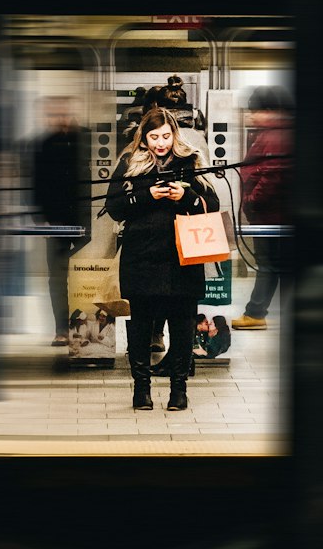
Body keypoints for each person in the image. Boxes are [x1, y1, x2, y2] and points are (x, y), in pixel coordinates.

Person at [105, 106, 219, 411]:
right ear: (143, 138)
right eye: (154, 137)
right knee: (141, 325)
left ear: (174, 134)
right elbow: (113, 207)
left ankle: (178, 390)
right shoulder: (129, 163)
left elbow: (211, 204)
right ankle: (141, 390)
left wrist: (186, 197)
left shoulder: (191, 160)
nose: (160, 143)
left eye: (166, 136)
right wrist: (146, 196)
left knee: (182, 326)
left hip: (183, 257)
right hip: (141, 256)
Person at [232, 85, 293, 330]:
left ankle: (256, 314)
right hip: (272, 214)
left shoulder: (276, 136)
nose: (251, 116)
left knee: (268, 264)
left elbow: (272, 176)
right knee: (273, 264)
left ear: (271, 110)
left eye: (255, 111)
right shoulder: (272, 133)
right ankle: (257, 312)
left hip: (270, 215)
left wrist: (251, 201)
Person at [32, 97, 91, 345]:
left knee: (88, 273)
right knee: (57, 276)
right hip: (55, 220)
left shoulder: (89, 139)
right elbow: (36, 183)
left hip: (85, 220)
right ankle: (61, 328)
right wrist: (41, 219)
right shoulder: (44, 144)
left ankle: (85, 327)